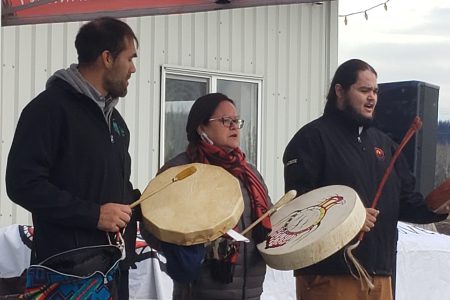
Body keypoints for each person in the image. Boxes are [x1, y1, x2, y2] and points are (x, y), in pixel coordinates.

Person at [283, 59, 448, 300]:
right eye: (364, 90)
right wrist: (348, 221)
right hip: (330, 274)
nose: (372, 98)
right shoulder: (312, 138)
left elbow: (405, 203)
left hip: (380, 273)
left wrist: (438, 209)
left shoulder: (384, 144)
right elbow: (299, 205)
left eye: (375, 91)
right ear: (339, 91)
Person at [6, 17, 140, 299]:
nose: (133, 68)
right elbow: (22, 183)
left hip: (113, 272)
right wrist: (94, 215)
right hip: (65, 274)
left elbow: (115, 190)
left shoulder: (116, 122)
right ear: (107, 57)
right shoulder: (48, 110)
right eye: (129, 58)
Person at [144, 93, 272, 299]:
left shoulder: (249, 173)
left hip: (250, 292)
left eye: (236, 120)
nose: (234, 126)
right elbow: (152, 226)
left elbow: (269, 218)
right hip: (200, 291)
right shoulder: (182, 171)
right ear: (201, 127)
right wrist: (192, 248)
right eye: (225, 120)